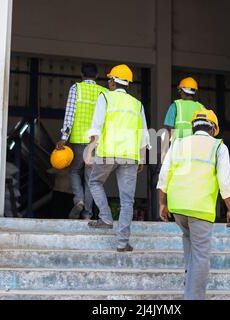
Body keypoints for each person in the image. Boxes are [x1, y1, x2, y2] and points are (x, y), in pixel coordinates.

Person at [157, 109, 230, 300]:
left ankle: (189, 278)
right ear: (213, 129)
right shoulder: (218, 147)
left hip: (178, 208)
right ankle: (193, 296)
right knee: (201, 256)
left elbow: (163, 174)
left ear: (194, 127)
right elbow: (225, 182)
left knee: (188, 240)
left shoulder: (178, 143)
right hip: (200, 209)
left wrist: (162, 203)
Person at [85, 64, 151, 253]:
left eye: (109, 79)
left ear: (113, 82)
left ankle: (105, 218)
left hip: (107, 152)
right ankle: (122, 243)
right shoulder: (137, 104)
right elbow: (144, 134)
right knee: (127, 201)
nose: (108, 82)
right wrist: (142, 158)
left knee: (95, 183)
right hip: (130, 156)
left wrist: (90, 151)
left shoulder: (105, 96)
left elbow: (96, 126)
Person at [56, 63, 106, 220]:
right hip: (96, 142)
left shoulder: (76, 88)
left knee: (74, 171)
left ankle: (78, 200)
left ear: (81, 74)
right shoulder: (103, 92)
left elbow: (70, 114)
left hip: (78, 139)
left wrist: (64, 137)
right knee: (91, 179)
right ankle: (87, 214)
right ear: (97, 76)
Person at [161, 77, 205, 161]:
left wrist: (164, 152)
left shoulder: (175, 105)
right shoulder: (201, 108)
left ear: (182, 91)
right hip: (196, 149)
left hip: (179, 149)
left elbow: (169, 130)